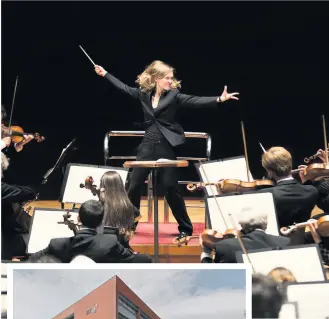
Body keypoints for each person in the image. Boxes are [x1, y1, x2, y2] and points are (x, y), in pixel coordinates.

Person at [94, 60, 239, 241]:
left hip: (165, 145)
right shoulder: (143, 94)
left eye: (171, 78)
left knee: (171, 188)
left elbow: (194, 101)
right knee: (133, 185)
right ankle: (131, 222)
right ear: (156, 79)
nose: (171, 81)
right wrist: (105, 73)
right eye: (167, 78)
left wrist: (219, 99)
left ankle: (185, 227)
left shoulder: (174, 96)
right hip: (147, 145)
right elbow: (123, 88)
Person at [28, 199, 153, 263]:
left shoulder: (57, 244)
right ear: (101, 221)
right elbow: (141, 260)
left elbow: (32, 259)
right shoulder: (109, 243)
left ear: (78, 218)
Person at [258, 146, 319, 228]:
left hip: (276, 239)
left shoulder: (265, 195)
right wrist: (305, 181)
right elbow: (303, 193)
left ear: (270, 172)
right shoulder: (312, 191)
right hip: (302, 239)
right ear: (290, 164)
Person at [200, 210, 290, 263]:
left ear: (242, 226)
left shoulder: (225, 246)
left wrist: (206, 253)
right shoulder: (286, 242)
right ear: (265, 224)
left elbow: (213, 276)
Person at [98, 171, 140, 249]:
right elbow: (137, 216)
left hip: (102, 246)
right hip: (123, 247)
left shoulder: (100, 205)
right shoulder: (127, 205)